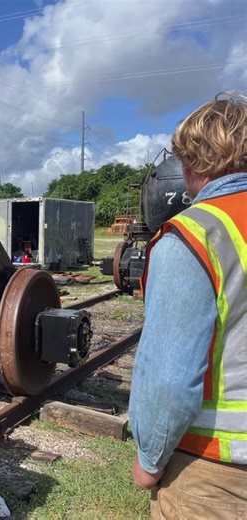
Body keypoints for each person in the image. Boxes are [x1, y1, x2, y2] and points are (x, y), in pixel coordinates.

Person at [129, 93, 247, 519]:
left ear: (190, 164)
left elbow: (169, 380)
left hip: (217, 471)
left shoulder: (196, 234)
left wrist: (149, 460)